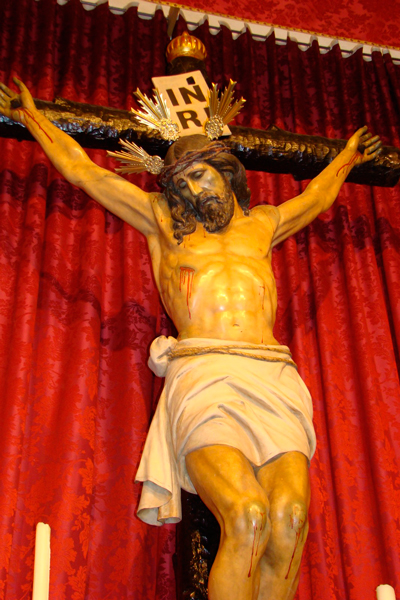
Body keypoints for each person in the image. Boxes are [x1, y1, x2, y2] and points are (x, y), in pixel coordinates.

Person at [0, 78, 382, 600]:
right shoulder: (161, 222)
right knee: (247, 515)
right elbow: (84, 171)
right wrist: (32, 118)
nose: (193, 193)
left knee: (291, 519)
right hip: (205, 374)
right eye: (181, 186)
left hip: (272, 374)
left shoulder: (264, 224)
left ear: (226, 172)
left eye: (200, 177)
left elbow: (317, 197)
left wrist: (348, 158)